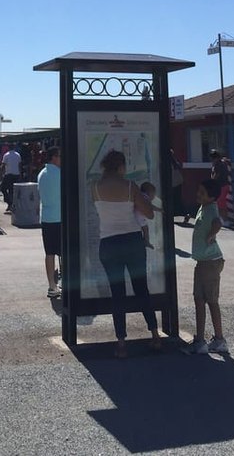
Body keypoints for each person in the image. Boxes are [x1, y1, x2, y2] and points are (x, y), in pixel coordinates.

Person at [92, 150, 162, 359]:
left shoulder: (94, 187)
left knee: (117, 294)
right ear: (121, 166)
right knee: (141, 289)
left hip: (108, 243)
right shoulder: (130, 187)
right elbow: (148, 213)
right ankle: (155, 335)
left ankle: (121, 343)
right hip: (132, 241)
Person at [189, 178, 228, 354]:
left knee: (210, 300)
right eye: (199, 190)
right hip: (203, 261)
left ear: (211, 197)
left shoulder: (211, 208)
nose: (198, 194)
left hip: (210, 261)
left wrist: (212, 235)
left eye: (202, 193)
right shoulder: (204, 207)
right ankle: (201, 339)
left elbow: (217, 223)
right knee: (199, 299)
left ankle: (219, 340)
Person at [37, 145, 62, 298]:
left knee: (50, 253)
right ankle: (65, 283)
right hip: (60, 217)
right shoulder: (60, 174)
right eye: (60, 156)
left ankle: (52, 286)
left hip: (46, 217)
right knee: (63, 253)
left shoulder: (42, 174)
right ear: (54, 157)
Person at [135, 181, 162, 249]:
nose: (154, 197)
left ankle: (145, 241)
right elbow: (150, 207)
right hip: (139, 217)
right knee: (145, 229)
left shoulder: (140, 195)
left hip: (136, 216)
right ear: (148, 193)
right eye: (153, 194)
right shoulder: (145, 198)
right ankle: (146, 241)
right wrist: (159, 209)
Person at [210, 150, 231, 227]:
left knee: (221, 204)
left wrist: (211, 182)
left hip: (221, 186)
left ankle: (225, 220)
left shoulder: (218, 164)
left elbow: (216, 175)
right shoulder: (222, 163)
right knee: (221, 203)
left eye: (212, 158)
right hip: (224, 185)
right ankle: (223, 219)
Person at [1, 146, 22, 212]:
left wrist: (1, 174)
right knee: (12, 191)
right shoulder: (18, 155)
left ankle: (10, 203)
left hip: (9, 174)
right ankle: (12, 204)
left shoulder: (6, 155)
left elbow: (3, 165)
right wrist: (20, 174)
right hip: (16, 175)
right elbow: (19, 165)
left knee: (3, 189)